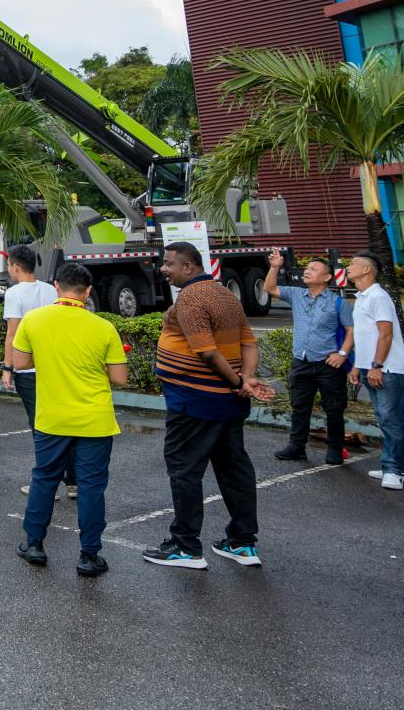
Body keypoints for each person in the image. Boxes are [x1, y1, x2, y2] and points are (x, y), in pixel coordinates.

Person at [147, 241, 273, 569]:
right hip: (227, 403)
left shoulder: (191, 297)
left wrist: (238, 382)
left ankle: (185, 546)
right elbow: (249, 343)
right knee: (234, 469)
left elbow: (206, 351)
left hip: (196, 402)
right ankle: (242, 543)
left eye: (169, 263)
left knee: (184, 469)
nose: (163, 268)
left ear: (189, 267)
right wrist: (246, 378)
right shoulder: (226, 295)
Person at [10, 263, 129, 578]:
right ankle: (89, 555)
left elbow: (20, 362)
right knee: (91, 487)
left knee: (44, 479)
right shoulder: (103, 327)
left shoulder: (35, 320)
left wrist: (47, 357)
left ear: (56, 285)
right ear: (88, 291)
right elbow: (119, 378)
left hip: (52, 418)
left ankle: (34, 544)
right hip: (95, 420)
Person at [260, 249, 352, 465]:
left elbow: (351, 330)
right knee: (300, 406)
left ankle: (335, 450)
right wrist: (274, 267)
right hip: (301, 362)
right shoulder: (296, 294)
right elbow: (269, 288)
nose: (307, 271)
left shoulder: (337, 302)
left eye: (313, 269)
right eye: (307, 268)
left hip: (328, 364)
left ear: (327, 278)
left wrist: (342, 354)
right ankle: (297, 446)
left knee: (334, 408)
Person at [340, 252, 404, 490]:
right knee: (389, 419)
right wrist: (357, 366)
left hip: (387, 369)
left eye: (353, 264)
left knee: (390, 420)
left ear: (367, 270)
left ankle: (392, 470)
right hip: (370, 367)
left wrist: (376, 366)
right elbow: (365, 336)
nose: (348, 266)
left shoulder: (379, 297)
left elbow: (386, 334)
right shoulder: (362, 296)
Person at [0, 244, 72, 498]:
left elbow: (13, 333)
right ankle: (72, 481)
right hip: (56, 366)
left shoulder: (15, 293)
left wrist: (7, 368)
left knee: (40, 426)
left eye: (9, 265)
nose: (8, 269)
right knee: (63, 422)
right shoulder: (50, 289)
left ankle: (47, 483)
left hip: (29, 369)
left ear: (16, 267)